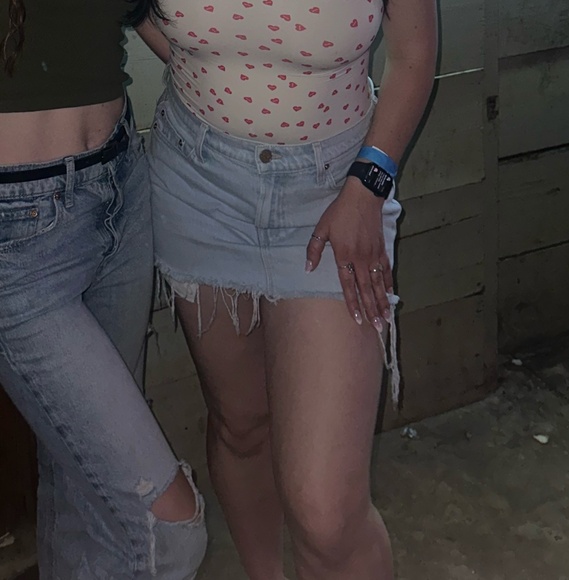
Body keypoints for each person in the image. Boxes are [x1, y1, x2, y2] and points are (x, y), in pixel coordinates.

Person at [141, 0, 437, 578]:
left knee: (328, 513)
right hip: (198, 184)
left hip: (339, 190)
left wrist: (369, 184)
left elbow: (414, 53)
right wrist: (208, 65)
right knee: (240, 425)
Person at [0, 1, 207, 577]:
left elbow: (148, 23)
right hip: (17, 237)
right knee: (169, 531)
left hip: (120, 185)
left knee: (84, 487)